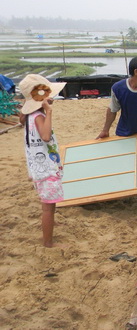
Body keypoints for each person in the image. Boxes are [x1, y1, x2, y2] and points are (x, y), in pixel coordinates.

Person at [18, 74, 66, 248]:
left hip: (40, 167)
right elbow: (45, 136)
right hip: (45, 168)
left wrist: (44, 109)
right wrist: (49, 112)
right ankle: (48, 243)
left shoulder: (31, 115)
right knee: (47, 207)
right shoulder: (38, 116)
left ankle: (50, 227)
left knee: (49, 205)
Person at [96, 56, 137, 138]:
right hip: (125, 133)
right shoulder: (118, 88)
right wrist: (105, 130)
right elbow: (113, 110)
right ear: (136, 72)